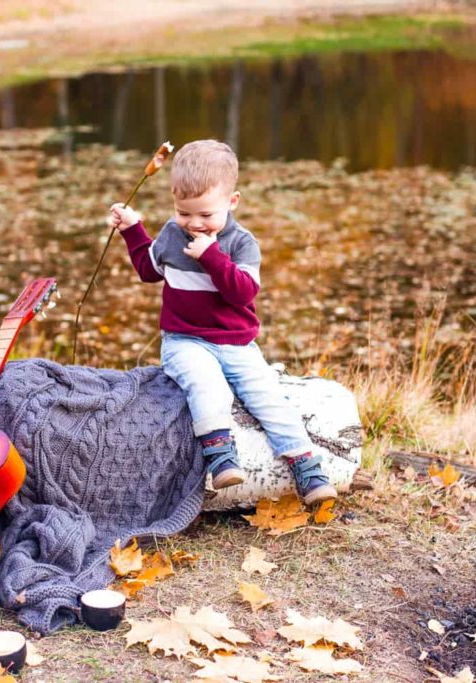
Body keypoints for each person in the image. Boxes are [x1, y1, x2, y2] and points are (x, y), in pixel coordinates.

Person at [108, 139, 337, 505]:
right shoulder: (171, 234)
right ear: (174, 202)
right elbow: (148, 271)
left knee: (269, 398)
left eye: (205, 215)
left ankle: (307, 467)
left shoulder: (242, 244)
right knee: (207, 385)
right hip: (184, 339)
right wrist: (133, 229)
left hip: (237, 343)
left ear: (232, 202)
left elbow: (242, 293)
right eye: (185, 213)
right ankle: (221, 456)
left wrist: (212, 257)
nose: (194, 224)